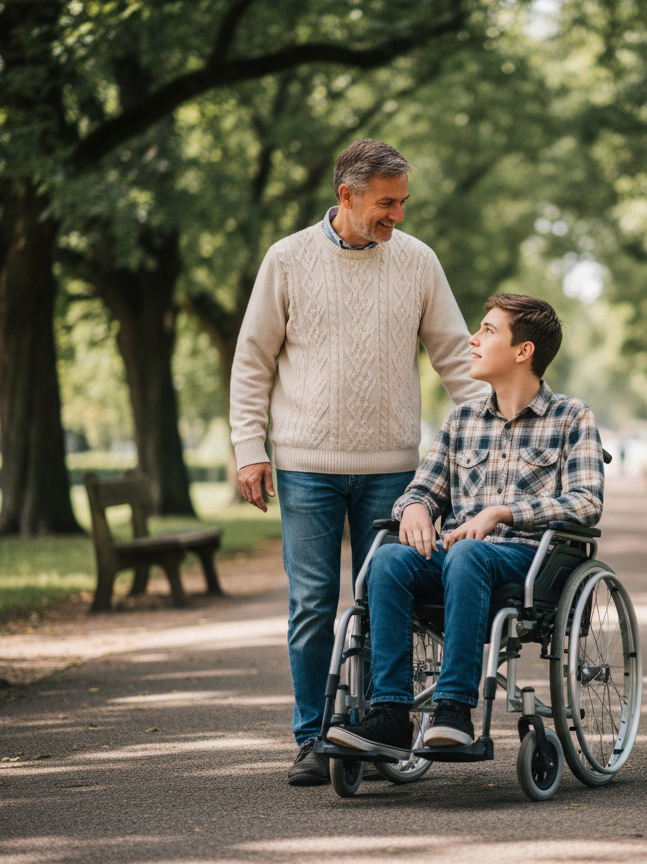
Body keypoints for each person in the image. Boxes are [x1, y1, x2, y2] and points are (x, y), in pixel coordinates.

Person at [229, 139, 488, 786]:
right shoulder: (286, 260)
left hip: (392, 469)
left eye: (403, 202)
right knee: (312, 605)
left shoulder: (418, 261)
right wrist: (249, 448)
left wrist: (509, 419)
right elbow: (253, 360)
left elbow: (455, 356)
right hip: (305, 464)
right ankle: (313, 738)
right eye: (386, 203)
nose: (397, 215)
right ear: (346, 195)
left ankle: (374, 730)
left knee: (381, 600)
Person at [325, 293, 604, 758]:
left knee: (469, 553)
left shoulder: (571, 416)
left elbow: (586, 502)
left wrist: (502, 512)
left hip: (530, 561)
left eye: (487, 331)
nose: (472, 340)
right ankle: (390, 714)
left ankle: (454, 709)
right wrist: (414, 508)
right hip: (458, 557)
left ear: (524, 351)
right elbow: (421, 489)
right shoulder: (462, 420)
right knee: (389, 559)